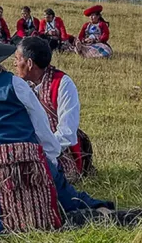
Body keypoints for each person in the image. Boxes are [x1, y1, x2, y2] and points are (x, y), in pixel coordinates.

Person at [0, 26, 137, 233]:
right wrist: (48, 172)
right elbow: (47, 143)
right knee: (73, 200)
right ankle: (87, 211)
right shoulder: (13, 85)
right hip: (29, 181)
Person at [15, 36, 93, 181]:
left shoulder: (63, 84)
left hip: (59, 152)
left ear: (30, 63)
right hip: (30, 149)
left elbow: (67, 132)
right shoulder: (20, 85)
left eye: (18, 59)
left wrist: (42, 152)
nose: (15, 63)